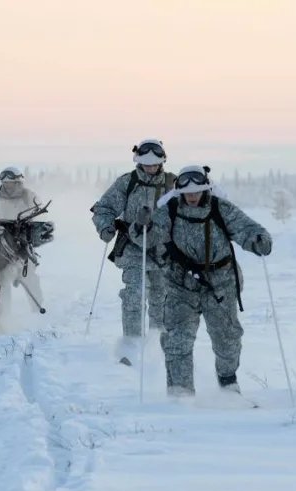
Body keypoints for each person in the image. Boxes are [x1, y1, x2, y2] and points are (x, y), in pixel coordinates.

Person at [132, 165, 272, 396]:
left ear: (205, 189)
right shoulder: (170, 211)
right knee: (176, 339)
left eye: (197, 191)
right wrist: (142, 225)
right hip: (180, 285)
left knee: (227, 336)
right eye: (188, 192)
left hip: (221, 283)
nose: (193, 195)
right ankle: (180, 393)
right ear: (180, 192)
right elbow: (147, 236)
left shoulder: (220, 208)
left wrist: (258, 240)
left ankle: (228, 383)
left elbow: (247, 228)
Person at [90, 139, 176, 365]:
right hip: (132, 249)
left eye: (154, 163)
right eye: (145, 163)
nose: (150, 168)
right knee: (135, 295)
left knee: (162, 299)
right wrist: (105, 226)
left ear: (162, 161)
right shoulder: (127, 182)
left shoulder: (172, 184)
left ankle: (158, 347)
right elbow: (104, 208)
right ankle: (132, 346)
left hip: (164, 251)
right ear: (138, 161)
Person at [0, 166, 46, 312]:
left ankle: (37, 309)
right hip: (1, 243)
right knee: (1, 278)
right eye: (5, 184)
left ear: (17, 182)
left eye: (10, 183)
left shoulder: (29, 196)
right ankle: (3, 313)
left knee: (28, 275)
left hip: (22, 242)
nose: (7, 186)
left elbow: (40, 218)